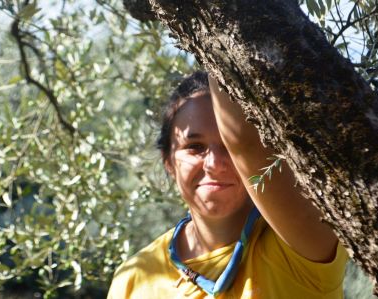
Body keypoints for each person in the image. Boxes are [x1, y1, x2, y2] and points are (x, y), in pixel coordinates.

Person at [107, 71, 348, 298]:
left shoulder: (301, 246)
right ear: (168, 162)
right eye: (195, 147)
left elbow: (245, 138)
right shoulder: (133, 278)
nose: (214, 164)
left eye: (229, 148)